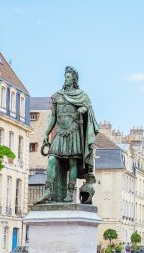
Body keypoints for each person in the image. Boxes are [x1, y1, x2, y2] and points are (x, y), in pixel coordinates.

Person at [36, 66, 99, 204]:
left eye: (69, 76)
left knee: (72, 162)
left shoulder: (82, 95)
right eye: (65, 76)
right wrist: (46, 133)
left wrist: (84, 109)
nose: (66, 78)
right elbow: (53, 116)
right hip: (59, 132)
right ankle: (48, 190)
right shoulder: (58, 95)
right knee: (52, 159)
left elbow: (90, 111)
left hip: (74, 131)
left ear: (74, 79)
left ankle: (70, 193)